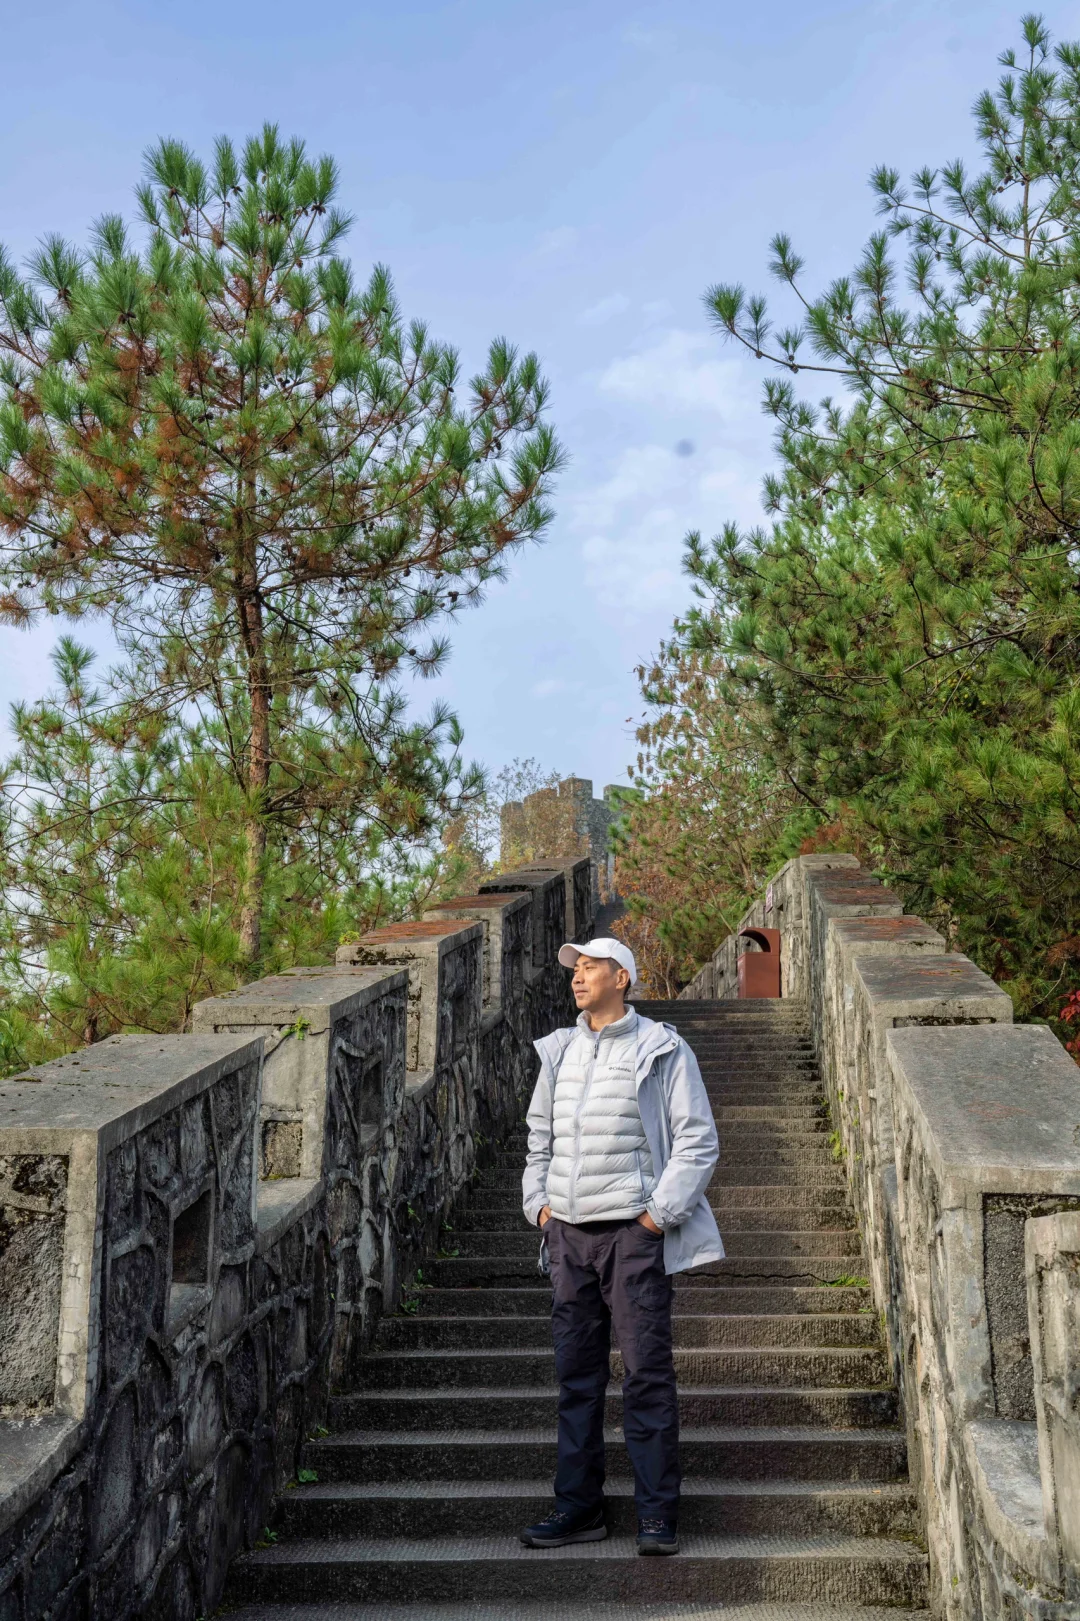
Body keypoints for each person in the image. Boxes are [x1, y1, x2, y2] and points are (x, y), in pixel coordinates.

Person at [519, 936, 723, 1557]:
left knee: (646, 1377)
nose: (578, 978)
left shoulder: (662, 1048)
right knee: (576, 1380)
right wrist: (540, 1207)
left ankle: (657, 1515)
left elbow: (697, 1142)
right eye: (575, 970)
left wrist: (655, 1219)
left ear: (622, 977)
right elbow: (538, 1137)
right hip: (569, 1238)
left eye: (590, 968)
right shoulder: (558, 1051)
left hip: (632, 1240)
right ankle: (578, 1509)